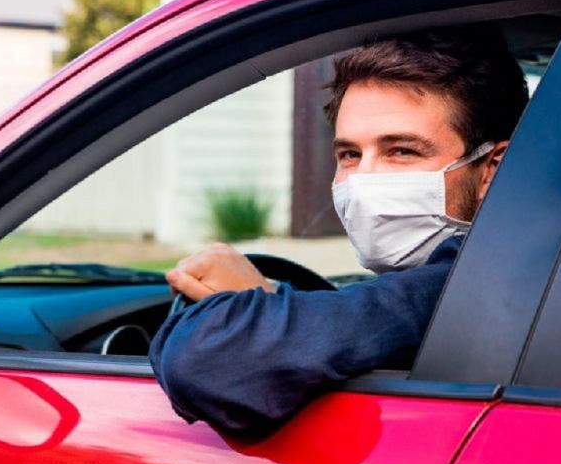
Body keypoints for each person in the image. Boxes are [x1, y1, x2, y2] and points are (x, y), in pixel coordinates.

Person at [149, 25, 529, 436]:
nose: (362, 181)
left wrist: (256, 306)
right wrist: (275, 300)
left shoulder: (480, 283)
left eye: (401, 151)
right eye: (349, 154)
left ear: (493, 169)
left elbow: (211, 361)